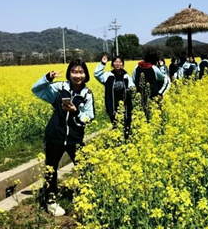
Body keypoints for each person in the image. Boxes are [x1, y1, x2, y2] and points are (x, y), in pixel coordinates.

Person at [31, 58, 95, 216]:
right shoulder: (59, 89)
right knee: (51, 169)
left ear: (85, 74)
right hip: (55, 136)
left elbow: (89, 116)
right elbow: (36, 90)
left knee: (85, 167)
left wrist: (75, 112)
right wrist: (47, 78)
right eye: (74, 71)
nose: (77, 75)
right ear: (69, 73)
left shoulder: (87, 93)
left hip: (75, 138)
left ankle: (82, 194)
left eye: (81, 72)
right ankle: (50, 201)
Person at [94, 55, 134, 138]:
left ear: (123, 64)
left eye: (120, 62)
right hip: (112, 105)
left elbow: (132, 87)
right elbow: (96, 74)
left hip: (125, 105)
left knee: (127, 124)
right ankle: (117, 141)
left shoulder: (126, 76)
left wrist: (132, 90)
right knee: (115, 124)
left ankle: (126, 139)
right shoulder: (108, 75)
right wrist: (102, 63)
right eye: (115, 62)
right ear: (112, 64)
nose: (118, 64)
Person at [133, 50, 170, 120]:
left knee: (142, 118)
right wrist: (160, 93)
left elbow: (133, 81)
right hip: (153, 98)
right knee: (155, 118)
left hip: (140, 98)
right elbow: (166, 79)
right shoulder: (154, 68)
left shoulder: (136, 67)